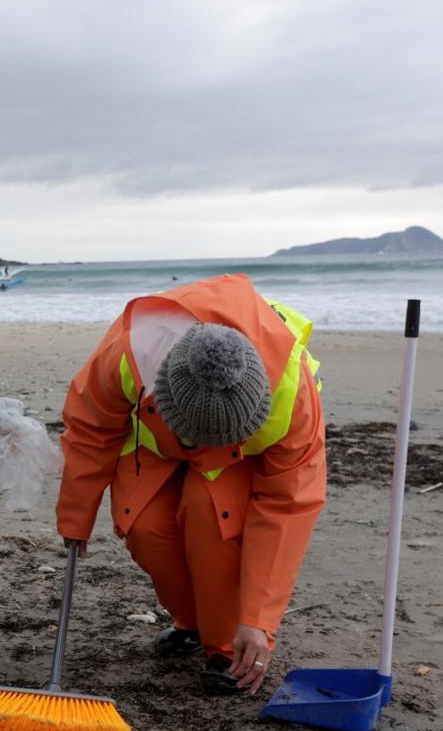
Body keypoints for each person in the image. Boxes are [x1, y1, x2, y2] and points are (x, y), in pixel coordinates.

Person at [55, 273, 326, 696]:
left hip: (239, 461)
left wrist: (258, 621)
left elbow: (287, 507)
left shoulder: (292, 395)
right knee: (146, 529)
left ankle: (226, 646)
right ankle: (193, 622)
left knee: (208, 517)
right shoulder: (130, 353)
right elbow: (91, 430)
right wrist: (76, 518)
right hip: (158, 445)